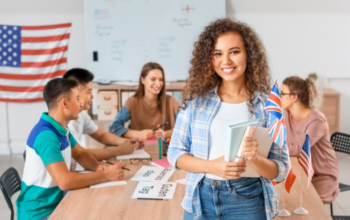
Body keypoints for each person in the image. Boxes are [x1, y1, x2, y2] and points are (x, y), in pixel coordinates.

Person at [168, 18, 290, 220]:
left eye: (234, 52)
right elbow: (174, 154)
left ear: (248, 55)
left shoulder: (267, 107)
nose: (226, 61)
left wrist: (256, 159)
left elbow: (281, 170)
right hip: (201, 198)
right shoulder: (196, 104)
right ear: (209, 59)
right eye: (218, 54)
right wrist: (211, 166)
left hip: (247, 199)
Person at [16, 78, 126, 220]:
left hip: (56, 201)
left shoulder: (62, 128)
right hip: (39, 213)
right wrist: (105, 176)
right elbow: (64, 181)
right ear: (64, 103)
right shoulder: (46, 136)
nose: (81, 104)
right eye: (77, 99)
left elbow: (80, 154)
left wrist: (100, 168)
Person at [63, 68, 143, 171]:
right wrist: (118, 150)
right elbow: (81, 153)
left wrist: (127, 142)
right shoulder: (67, 124)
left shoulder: (81, 115)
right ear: (75, 93)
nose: (92, 96)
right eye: (89, 92)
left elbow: (101, 135)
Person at [281, 76, 340, 204]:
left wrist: (273, 147)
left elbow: (299, 149)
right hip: (300, 171)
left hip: (322, 176)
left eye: (282, 93)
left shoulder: (317, 120)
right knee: (280, 197)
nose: (279, 96)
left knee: (298, 202)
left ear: (294, 97)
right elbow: (277, 138)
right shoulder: (286, 114)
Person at [109, 62, 181, 140]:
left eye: (161, 79)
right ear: (142, 80)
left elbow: (187, 127)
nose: (158, 84)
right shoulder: (132, 102)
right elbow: (113, 127)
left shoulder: (172, 102)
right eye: (153, 79)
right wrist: (138, 134)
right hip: (138, 148)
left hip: (164, 148)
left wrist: (166, 133)